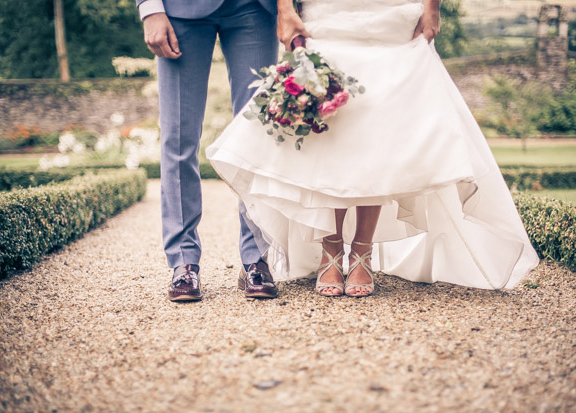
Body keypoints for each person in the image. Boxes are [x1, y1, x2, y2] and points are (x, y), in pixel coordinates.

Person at [207, 0, 540, 297]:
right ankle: (331, 249)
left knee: (380, 130)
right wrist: (284, 7)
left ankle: (361, 251)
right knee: (334, 130)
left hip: (391, 15)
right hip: (329, 13)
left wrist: (433, 6)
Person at [137, 0, 290, 301]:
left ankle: (255, 258)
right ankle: (183, 260)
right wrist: (150, 7)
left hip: (254, 8)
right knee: (179, 137)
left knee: (257, 134)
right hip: (179, 10)